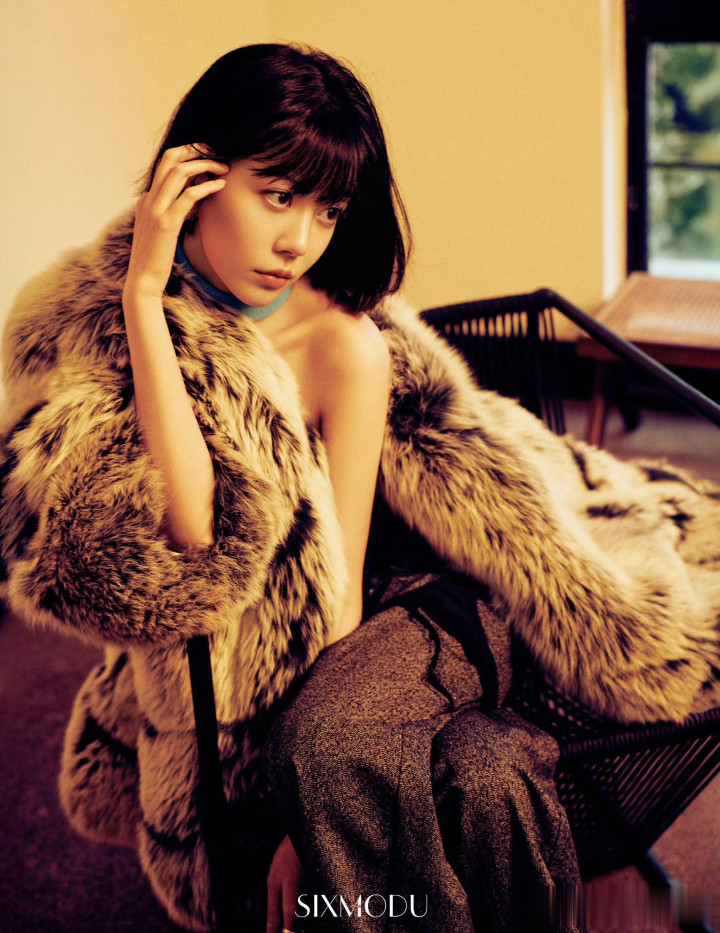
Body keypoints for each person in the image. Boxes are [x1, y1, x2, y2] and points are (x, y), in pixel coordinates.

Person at [3, 41, 718, 933]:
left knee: (329, 747)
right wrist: (144, 299)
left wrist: (308, 816)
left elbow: (337, 595)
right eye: (278, 194)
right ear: (194, 177)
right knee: (483, 773)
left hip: (430, 604)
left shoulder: (343, 344)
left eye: (329, 209)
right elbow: (193, 539)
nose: (299, 241)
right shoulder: (115, 323)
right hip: (309, 652)